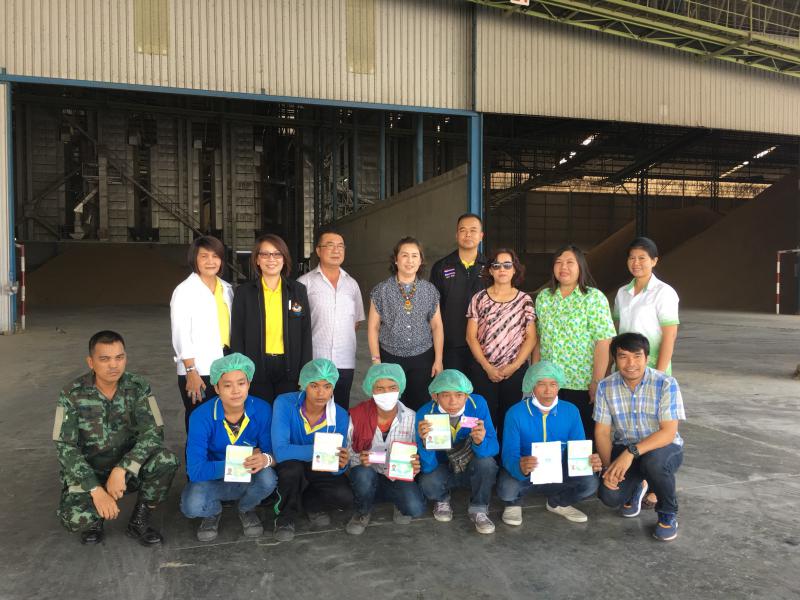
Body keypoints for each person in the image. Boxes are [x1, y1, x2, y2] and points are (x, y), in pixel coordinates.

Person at [53, 331, 179, 546]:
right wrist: (95, 489)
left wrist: (123, 468)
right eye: (105, 359)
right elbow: (65, 447)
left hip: (127, 469)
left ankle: (139, 520)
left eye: (119, 357)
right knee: (74, 519)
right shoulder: (71, 394)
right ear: (91, 362)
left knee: (165, 461)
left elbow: (154, 432)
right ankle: (95, 519)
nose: (113, 365)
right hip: (91, 470)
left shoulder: (138, 387)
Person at [594, 333, 686, 542]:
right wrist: (609, 470)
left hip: (663, 448)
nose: (631, 364)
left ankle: (667, 513)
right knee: (610, 496)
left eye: (637, 356)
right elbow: (602, 432)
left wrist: (630, 453)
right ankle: (638, 485)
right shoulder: (605, 387)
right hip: (625, 446)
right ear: (615, 359)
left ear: (647, 358)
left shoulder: (666, 383)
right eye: (623, 357)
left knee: (654, 462)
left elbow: (668, 433)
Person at [181, 353, 277, 542]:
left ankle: (246, 508)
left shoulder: (262, 409)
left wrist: (265, 459)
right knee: (191, 507)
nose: (236, 391)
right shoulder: (200, 416)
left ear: (249, 384)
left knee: (268, 478)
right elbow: (195, 471)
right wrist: (240, 461)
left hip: (245, 478)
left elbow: (273, 454)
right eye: (227, 385)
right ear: (216, 388)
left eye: (241, 383)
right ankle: (213, 510)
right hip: (212, 479)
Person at [497, 361, 601, 527]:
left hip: (558, 472)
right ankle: (514, 503)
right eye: (541, 384)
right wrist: (520, 467)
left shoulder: (571, 411)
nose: (548, 391)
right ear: (532, 385)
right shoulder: (515, 413)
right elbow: (509, 453)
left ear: (559, 386)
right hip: (527, 472)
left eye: (553, 384)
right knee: (506, 489)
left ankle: (558, 503)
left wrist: (588, 462)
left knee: (591, 483)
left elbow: (578, 448)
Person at [533, 244, 616, 441]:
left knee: (581, 437)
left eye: (570, 262)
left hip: (581, 383)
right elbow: (538, 340)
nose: (564, 267)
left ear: (581, 267)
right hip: (549, 383)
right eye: (559, 262)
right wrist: (535, 375)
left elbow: (603, 342)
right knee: (549, 435)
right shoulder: (544, 298)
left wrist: (596, 381)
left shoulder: (594, 298)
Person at [271, 359, 353, 542]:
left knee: (345, 497)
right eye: (314, 386)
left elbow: (335, 463)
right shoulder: (284, 403)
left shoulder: (340, 415)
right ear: (303, 385)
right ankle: (285, 517)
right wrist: (322, 450)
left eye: (327, 386)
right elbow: (281, 452)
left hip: (319, 466)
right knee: (291, 470)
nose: (321, 393)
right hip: (291, 464)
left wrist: (341, 464)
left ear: (333, 388)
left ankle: (309, 501)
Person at [345, 363, 425, 535]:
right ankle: (362, 510)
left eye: (392, 388)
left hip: (396, 476)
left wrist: (415, 465)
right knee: (363, 475)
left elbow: (417, 453)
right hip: (367, 473)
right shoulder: (357, 415)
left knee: (415, 508)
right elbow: (347, 452)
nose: (386, 393)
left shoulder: (411, 418)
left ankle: (392, 499)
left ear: (400, 388)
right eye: (380, 388)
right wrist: (360, 458)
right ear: (371, 390)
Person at [231, 233, 312, 403]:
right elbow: (237, 334)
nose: (271, 259)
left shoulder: (298, 290)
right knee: (261, 412)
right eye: (265, 254)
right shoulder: (244, 292)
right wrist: (239, 370)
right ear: (257, 260)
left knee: (286, 411)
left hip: (290, 368)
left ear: (284, 259)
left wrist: (305, 371)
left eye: (277, 254)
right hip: (256, 367)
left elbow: (305, 333)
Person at [416, 370, 499, 534]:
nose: (453, 401)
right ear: (435, 396)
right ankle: (442, 499)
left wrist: (481, 442)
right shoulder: (425, 414)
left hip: (470, 466)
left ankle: (479, 508)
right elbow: (427, 467)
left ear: (467, 396)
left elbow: (494, 448)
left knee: (487, 464)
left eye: (459, 395)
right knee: (427, 482)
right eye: (445, 395)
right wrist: (425, 445)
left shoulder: (478, 404)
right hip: (442, 468)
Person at [466, 247, 536, 438]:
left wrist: (514, 366)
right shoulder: (479, 298)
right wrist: (487, 367)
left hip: (514, 371)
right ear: (490, 270)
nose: (502, 269)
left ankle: (508, 456)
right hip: (483, 370)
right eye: (496, 265)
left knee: (510, 419)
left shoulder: (524, 300)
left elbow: (531, 337)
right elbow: (471, 337)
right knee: (483, 417)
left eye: (507, 265)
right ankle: (486, 455)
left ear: (514, 269)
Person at [368, 237, 444, 410]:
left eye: (414, 256)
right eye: (404, 255)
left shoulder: (430, 290)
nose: (410, 260)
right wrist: (376, 360)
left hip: (422, 358)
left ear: (421, 260)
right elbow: (373, 327)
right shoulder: (380, 290)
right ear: (396, 260)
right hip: (390, 357)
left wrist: (438, 359)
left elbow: (437, 326)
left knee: (421, 405)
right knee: (391, 406)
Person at [170, 235, 233, 432]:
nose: (210, 261)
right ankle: (196, 454)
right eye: (204, 256)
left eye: (215, 256)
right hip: (198, 369)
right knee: (199, 420)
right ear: (194, 259)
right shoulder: (184, 291)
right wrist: (191, 372)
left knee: (222, 419)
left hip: (225, 364)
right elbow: (180, 334)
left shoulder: (226, 289)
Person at [297, 227, 365, 408]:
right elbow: (296, 324)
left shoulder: (352, 284)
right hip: (314, 359)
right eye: (330, 245)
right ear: (318, 251)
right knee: (312, 408)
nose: (336, 250)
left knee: (340, 409)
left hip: (345, 360)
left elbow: (356, 322)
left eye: (340, 246)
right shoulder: (304, 283)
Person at [430, 213, 487, 373]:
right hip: (450, 346)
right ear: (456, 235)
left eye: (473, 230)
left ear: (481, 236)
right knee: (452, 387)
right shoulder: (441, 267)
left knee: (478, 388)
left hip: (483, 345)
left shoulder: (491, 268)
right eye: (463, 230)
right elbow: (432, 309)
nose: (468, 234)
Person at [614, 237, 679, 375]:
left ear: (654, 261)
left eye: (642, 258)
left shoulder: (664, 292)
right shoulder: (622, 292)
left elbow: (670, 336)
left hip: (652, 367)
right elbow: (615, 332)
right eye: (632, 258)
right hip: (624, 367)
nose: (636, 263)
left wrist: (659, 375)